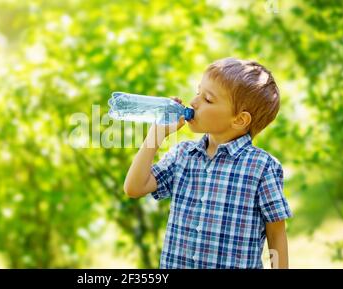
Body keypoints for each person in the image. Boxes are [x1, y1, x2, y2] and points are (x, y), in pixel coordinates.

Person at [123, 57, 292, 269]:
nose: (193, 102)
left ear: (239, 120)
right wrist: (156, 135)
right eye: (197, 92)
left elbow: (276, 234)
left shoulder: (262, 167)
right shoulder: (182, 155)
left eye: (208, 99)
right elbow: (134, 187)